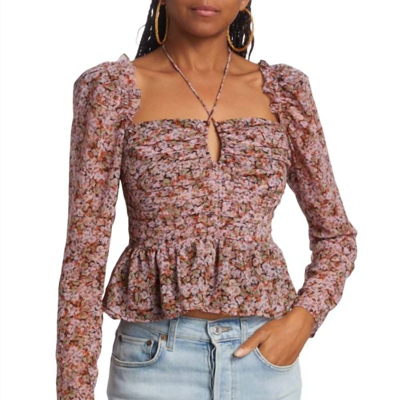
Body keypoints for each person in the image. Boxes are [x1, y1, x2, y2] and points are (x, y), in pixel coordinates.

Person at [56, 1, 358, 399]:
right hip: (153, 365)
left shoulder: (286, 92)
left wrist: (303, 320)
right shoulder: (111, 90)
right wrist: (74, 393)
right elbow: (84, 259)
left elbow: (336, 236)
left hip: (263, 366)